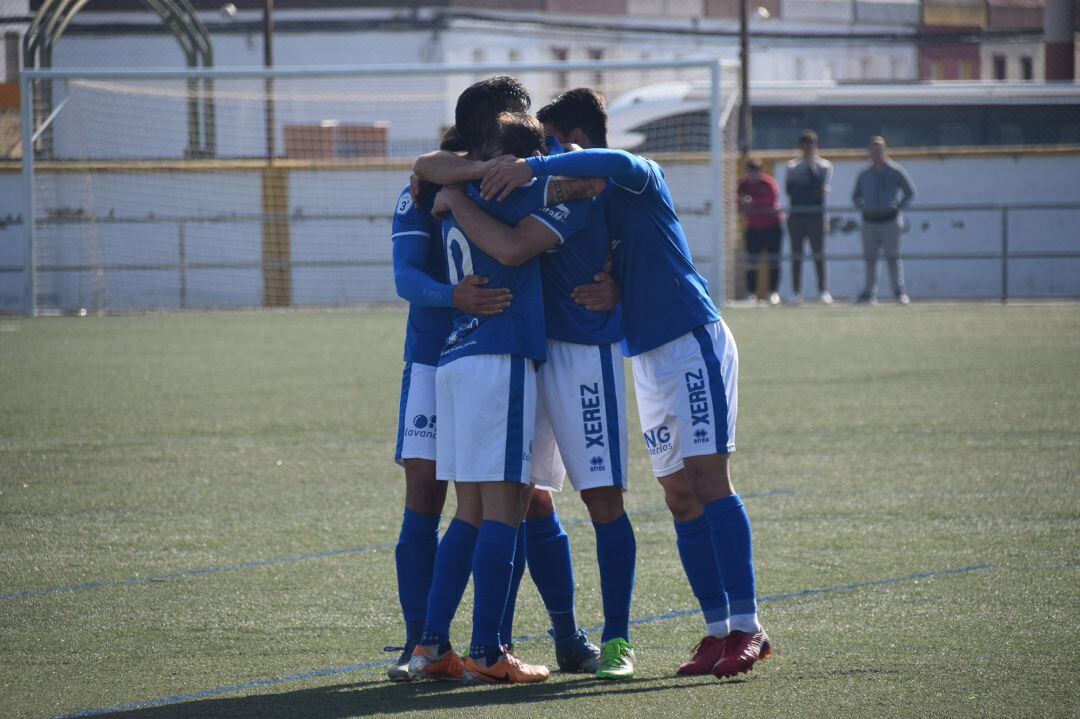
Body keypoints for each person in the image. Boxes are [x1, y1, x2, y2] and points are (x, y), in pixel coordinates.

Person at [481, 87, 772, 681]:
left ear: (575, 139)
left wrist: (533, 164)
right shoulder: (589, 202)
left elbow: (611, 165)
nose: (549, 153)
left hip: (692, 340)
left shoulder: (636, 175)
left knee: (710, 480)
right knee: (678, 493)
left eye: (556, 142)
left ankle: (748, 627)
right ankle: (717, 629)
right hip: (643, 357)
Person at [413, 89, 638, 680]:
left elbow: (592, 202)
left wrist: (457, 197)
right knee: (514, 501)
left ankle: (602, 641)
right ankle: (489, 645)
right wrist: (468, 182)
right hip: (514, 353)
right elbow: (428, 167)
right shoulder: (491, 171)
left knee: (594, 500)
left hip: (577, 351)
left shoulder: (568, 174)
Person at [852, 135, 915, 305]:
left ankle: (899, 293)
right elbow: (855, 196)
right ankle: (869, 293)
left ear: (884, 151)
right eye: (873, 151)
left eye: (879, 150)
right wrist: (864, 207)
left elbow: (909, 192)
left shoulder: (895, 171)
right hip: (869, 221)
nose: (876, 154)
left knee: (893, 258)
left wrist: (898, 206)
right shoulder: (864, 174)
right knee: (870, 259)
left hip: (890, 221)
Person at [784, 129, 833, 304]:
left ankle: (823, 291)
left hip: (816, 216)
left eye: (811, 145)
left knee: (819, 253)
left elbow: (818, 188)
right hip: (797, 216)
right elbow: (791, 191)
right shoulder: (792, 167)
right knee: (796, 255)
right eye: (804, 146)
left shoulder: (824, 166)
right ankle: (796, 292)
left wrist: (810, 172)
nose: (808, 149)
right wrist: (810, 188)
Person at [737, 158, 783, 306]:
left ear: (760, 172)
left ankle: (773, 292)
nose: (752, 176)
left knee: (774, 261)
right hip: (753, 228)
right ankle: (751, 293)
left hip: (772, 227)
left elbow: (770, 201)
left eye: (755, 172)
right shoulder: (742, 185)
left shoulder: (768, 183)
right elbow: (737, 202)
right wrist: (744, 203)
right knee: (752, 262)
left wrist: (753, 202)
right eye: (750, 172)